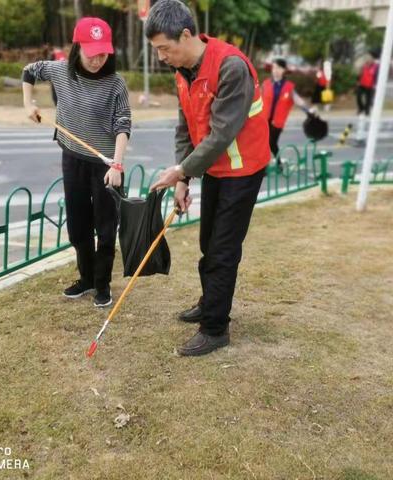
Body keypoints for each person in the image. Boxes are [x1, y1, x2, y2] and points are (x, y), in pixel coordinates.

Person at [146, 0, 270, 356]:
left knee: (223, 249)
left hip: (243, 168)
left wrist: (182, 171)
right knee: (207, 243)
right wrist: (184, 179)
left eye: (164, 49)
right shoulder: (183, 71)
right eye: (157, 51)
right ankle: (210, 301)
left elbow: (221, 134)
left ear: (185, 35)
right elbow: (185, 126)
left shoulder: (231, 67)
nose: (162, 57)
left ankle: (215, 328)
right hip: (215, 167)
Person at [22, 17, 131, 307]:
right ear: (78, 47)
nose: (98, 59)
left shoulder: (115, 83)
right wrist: (28, 104)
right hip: (72, 158)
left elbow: (123, 124)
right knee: (78, 225)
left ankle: (103, 284)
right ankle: (86, 279)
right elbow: (29, 71)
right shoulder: (59, 72)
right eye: (91, 52)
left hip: (106, 165)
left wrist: (117, 165)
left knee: (106, 228)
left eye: (103, 52)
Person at [261, 58, 312, 168]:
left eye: (279, 68)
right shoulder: (266, 84)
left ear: (284, 70)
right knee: (266, 143)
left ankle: (266, 166)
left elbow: (298, 100)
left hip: (278, 122)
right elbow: (258, 99)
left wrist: (308, 111)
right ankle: (275, 164)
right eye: (274, 67)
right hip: (264, 119)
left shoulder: (289, 87)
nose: (276, 70)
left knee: (270, 143)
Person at [355, 49, 380, 146]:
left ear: (373, 58)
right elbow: (359, 75)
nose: (367, 58)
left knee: (368, 105)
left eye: (369, 57)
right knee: (359, 97)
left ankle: (366, 111)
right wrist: (358, 81)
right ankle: (361, 109)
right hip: (362, 85)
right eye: (366, 57)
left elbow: (377, 77)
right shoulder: (364, 66)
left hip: (370, 87)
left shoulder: (376, 67)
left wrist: (375, 85)